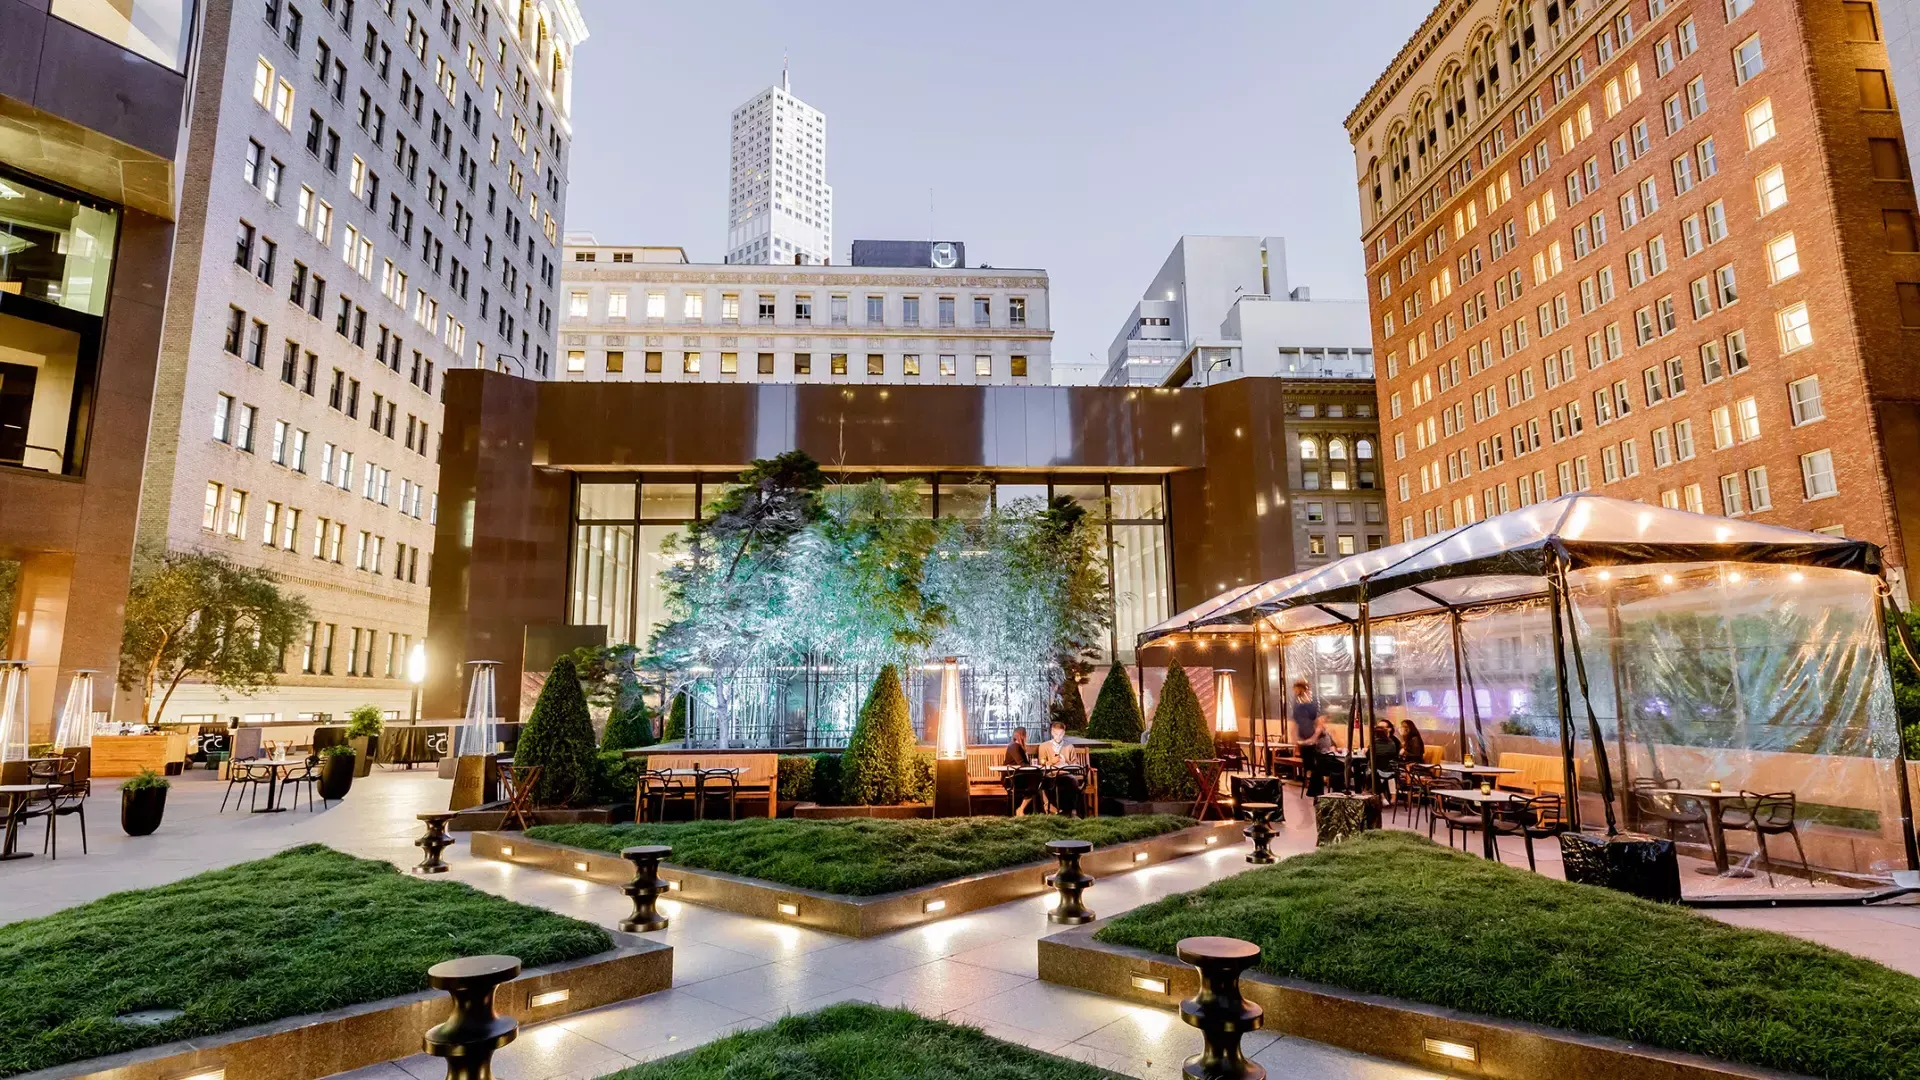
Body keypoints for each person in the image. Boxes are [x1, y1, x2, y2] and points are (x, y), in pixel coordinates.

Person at [1290, 682, 1338, 797]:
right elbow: (1295, 722)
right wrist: (1295, 738)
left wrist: (1313, 738)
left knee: (1320, 763)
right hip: (1307, 741)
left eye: (1298, 690)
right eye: (1295, 690)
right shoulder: (1297, 704)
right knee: (1312, 765)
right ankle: (1315, 791)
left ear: (1304, 689)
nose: (1296, 692)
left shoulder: (1313, 703)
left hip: (1317, 740)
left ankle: (1325, 792)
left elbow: (1320, 723)